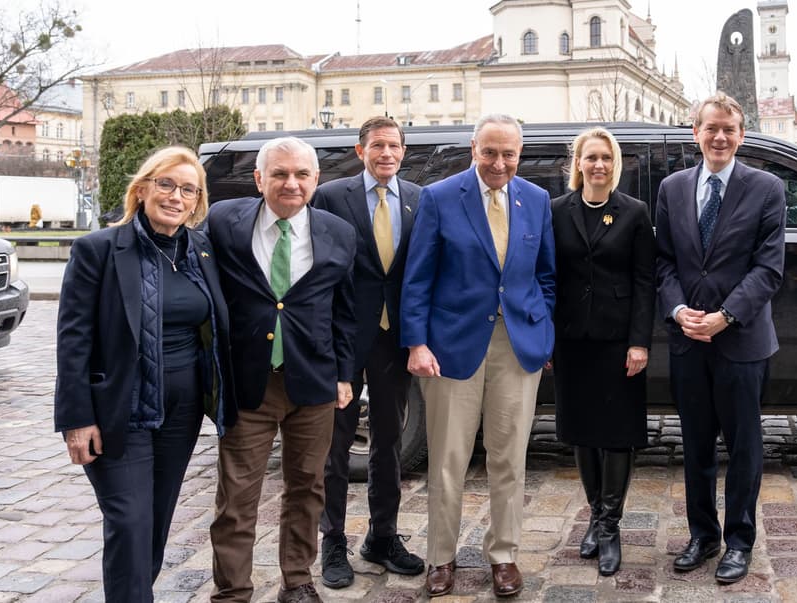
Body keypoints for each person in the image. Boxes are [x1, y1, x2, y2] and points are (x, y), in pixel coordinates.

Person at [53, 146, 234, 602]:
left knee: (153, 522)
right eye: (166, 184)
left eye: (188, 190)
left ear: (197, 202)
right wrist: (76, 419)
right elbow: (73, 341)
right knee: (129, 522)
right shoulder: (98, 250)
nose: (176, 196)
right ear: (142, 189)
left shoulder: (201, 251)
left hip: (183, 409)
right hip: (119, 410)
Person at [401, 113, 556, 598]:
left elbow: (546, 276)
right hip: (450, 350)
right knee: (448, 460)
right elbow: (418, 277)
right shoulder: (441, 197)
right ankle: (441, 558)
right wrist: (417, 343)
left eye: (509, 153)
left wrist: (542, 329)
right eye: (490, 152)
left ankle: (504, 554)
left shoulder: (536, 200)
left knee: (509, 458)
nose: (499, 162)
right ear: (473, 148)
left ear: (519, 154)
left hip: (517, 348)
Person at [206, 136, 356, 603]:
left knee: (307, 489)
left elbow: (346, 311)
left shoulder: (339, 233)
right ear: (259, 179)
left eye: (301, 175)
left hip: (313, 383)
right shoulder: (224, 223)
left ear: (316, 179)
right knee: (237, 497)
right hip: (248, 382)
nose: (291, 183)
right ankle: (233, 591)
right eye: (279, 174)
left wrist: (345, 374)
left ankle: (297, 579)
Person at [655, 92, 785, 584]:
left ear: (741, 135)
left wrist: (725, 316)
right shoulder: (672, 188)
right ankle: (702, 535)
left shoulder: (766, 188)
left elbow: (768, 269)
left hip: (741, 342)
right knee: (695, 447)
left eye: (729, 129)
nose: (720, 137)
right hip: (688, 341)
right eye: (711, 128)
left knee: (744, 446)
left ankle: (739, 542)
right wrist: (677, 309)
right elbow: (664, 261)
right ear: (696, 133)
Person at [310, 116, 424, 588]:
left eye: (394, 146)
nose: (387, 154)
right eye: (377, 146)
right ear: (361, 151)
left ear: (403, 151)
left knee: (389, 441)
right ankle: (332, 540)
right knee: (335, 445)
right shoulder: (332, 197)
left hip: (392, 339)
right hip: (344, 336)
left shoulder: (418, 199)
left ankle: (382, 536)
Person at [551, 127, 655, 577]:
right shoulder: (556, 211)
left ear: (616, 164)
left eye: (606, 158)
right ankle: (595, 513)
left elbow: (645, 282)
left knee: (617, 434)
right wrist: (548, 339)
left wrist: (639, 341)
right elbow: (549, 276)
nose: (598, 165)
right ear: (578, 163)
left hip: (618, 343)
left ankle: (610, 526)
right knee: (582, 431)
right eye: (591, 157)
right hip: (573, 339)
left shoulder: (634, 213)